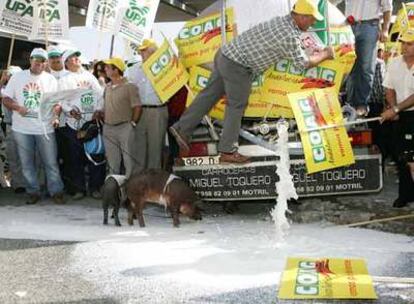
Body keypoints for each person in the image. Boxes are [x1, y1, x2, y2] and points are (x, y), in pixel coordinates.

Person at [170, 0, 334, 164]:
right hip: (238, 66)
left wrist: (312, 51)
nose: (313, 23)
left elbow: (291, 48)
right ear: (302, 17)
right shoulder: (289, 34)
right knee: (236, 106)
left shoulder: (281, 21)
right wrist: (326, 54)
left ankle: (181, 128)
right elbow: (303, 64)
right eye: (312, 19)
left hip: (225, 55)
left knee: (208, 96)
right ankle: (227, 151)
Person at [2, 48, 64, 204]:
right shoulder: (17, 77)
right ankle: (33, 191)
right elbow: (6, 99)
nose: (39, 62)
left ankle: (56, 191)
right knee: (26, 163)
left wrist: (56, 116)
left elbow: (57, 103)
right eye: (36, 59)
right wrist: (18, 108)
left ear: (46, 63)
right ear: (30, 60)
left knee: (50, 162)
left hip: (45, 128)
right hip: (22, 129)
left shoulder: (50, 79)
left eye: (43, 60)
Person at [56, 49, 106, 200]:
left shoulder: (89, 77)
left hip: (91, 123)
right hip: (73, 124)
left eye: (77, 56)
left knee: (96, 156)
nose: (76, 59)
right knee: (74, 159)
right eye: (72, 57)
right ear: (66, 62)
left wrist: (98, 109)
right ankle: (79, 189)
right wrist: (70, 111)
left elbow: (100, 96)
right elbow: (61, 100)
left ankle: (95, 188)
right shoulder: (63, 80)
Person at [331, 0, 392, 116]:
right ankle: (349, 103)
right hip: (348, 25)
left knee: (365, 66)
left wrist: (385, 29)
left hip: (369, 25)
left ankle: (361, 104)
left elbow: (387, 7)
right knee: (349, 66)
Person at [380, 29, 414, 208]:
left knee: (412, 158)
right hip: (402, 114)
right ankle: (406, 194)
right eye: (403, 43)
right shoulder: (394, 63)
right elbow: (389, 88)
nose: (404, 46)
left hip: (409, 111)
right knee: (402, 156)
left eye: (409, 43)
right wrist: (394, 108)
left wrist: (395, 109)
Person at [126, 39, 169, 173]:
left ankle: (154, 183)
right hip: (138, 111)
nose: (143, 53)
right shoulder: (133, 69)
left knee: (155, 148)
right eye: (142, 51)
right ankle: (139, 183)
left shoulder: (165, 68)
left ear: (155, 52)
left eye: (146, 50)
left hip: (157, 111)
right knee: (138, 148)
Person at [102, 57, 141, 177]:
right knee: (112, 162)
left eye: (108, 67)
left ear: (116, 70)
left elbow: (137, 107)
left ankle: (129, 191)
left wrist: (132, 124)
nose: (105, 69)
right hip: (108, 128)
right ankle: (115, 190)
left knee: (129, 161)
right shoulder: (107, 87)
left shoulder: (130, 86)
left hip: (125, 128)